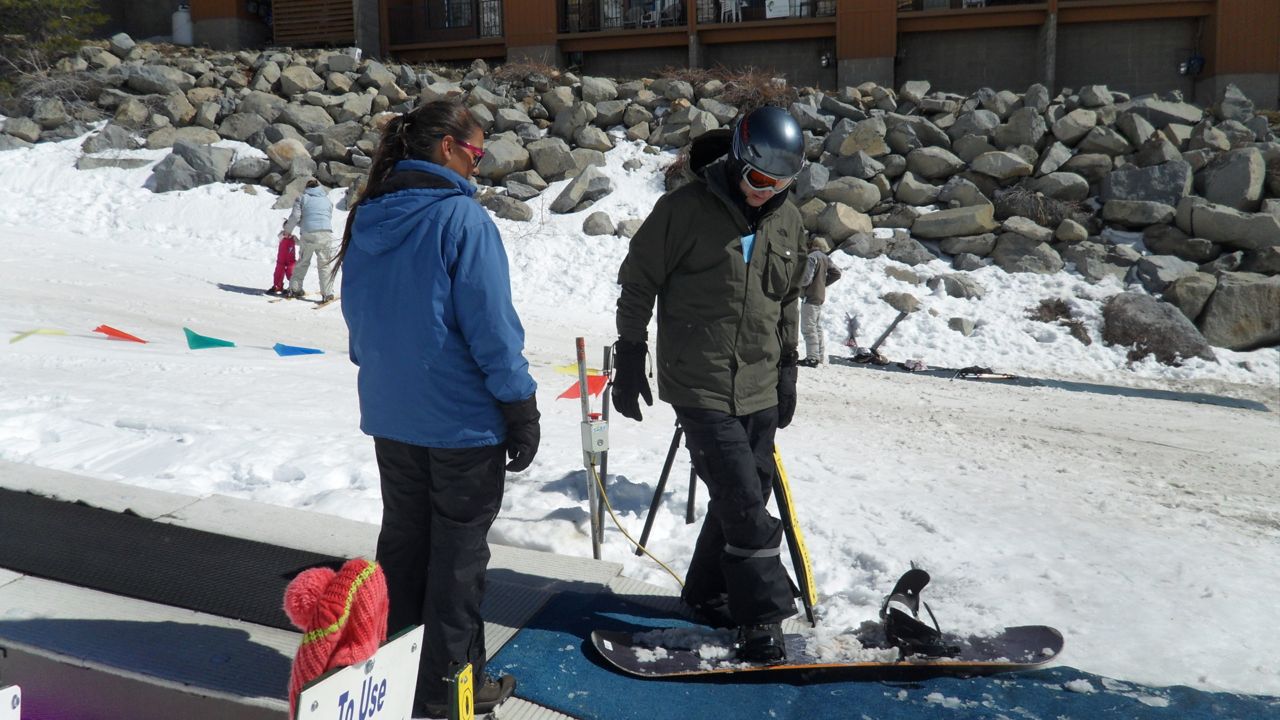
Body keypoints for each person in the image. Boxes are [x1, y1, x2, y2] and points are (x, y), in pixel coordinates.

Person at [335, 99, 538, 718]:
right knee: (456, 562)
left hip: (392, 418)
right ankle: (454, 693)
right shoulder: (461, 220)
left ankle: (393, 678)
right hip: (460, 427)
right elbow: (493, 332)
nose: (481, 164)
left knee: (402, 548)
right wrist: (520, 405)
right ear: (447, 147)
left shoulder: (368, 215)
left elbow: (358, 324)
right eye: (477, 151)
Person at [611, 105, 807, 664]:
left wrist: (788, 366)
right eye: (758, 180)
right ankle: (761, 619)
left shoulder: (787, 219)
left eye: (781, 184)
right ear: (738, 161)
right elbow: (637, 281)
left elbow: (786, 298)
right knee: (745, 503)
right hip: (699, 383)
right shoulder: (682, 211)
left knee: (748, 491)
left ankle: (707, 592)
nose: (766, 193)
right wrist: (630, 352)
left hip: (760, 383)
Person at [282, 178, 337, 302]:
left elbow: (295, 217)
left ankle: (295, 289)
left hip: (308, 234)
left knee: (303, 262)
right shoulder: (327, 200)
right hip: (325, 233)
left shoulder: (302, 198)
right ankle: (327, 293)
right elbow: (326, 216)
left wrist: (287, 231)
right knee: (324, 264)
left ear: (307, 188)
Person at [798, 236, 842, 367]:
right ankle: (820, 356)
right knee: (817, 328)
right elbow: (837, 273)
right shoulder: (825, 258)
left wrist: (798, 285)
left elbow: (806, 279)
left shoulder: (812, 257)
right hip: (819, 296)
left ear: (812, 245)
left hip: (810, 296)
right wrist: (822, 284)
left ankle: (812, 358)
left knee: (809, 328)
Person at [266, 231, 297, 295]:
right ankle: (277, 286)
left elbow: (299, 243)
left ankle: (292, 288)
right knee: (278, 273)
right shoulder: (281, 235)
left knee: (291, 274)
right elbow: (279, 236)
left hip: (291, 261)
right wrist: (284, 234)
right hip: (281, 260)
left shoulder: (293, 238)